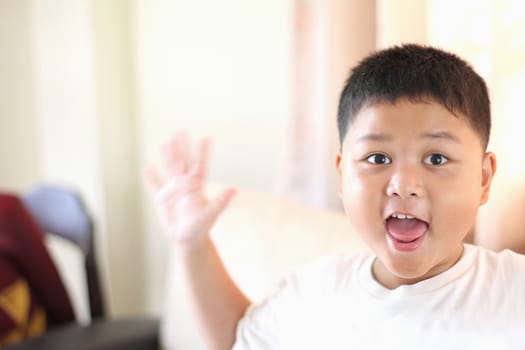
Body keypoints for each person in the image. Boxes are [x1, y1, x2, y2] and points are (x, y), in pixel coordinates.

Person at [144, 44, 525, 349]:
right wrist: (192, 245)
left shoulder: (514, 292)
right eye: (377, 158)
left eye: (436, 158)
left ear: (483, 178)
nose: (404, 184)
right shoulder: (314, 292)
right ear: (342, 176)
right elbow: (238, 340)